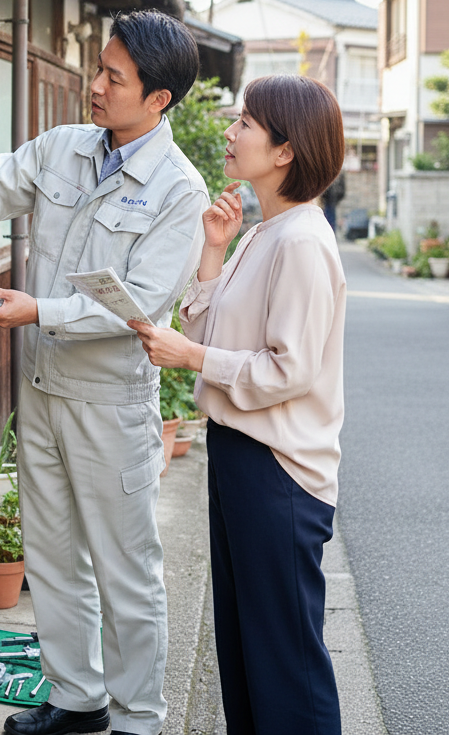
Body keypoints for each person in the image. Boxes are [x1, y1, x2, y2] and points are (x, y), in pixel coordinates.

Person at [0, 10, 209, 735]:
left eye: (114, 77)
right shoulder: (64, 147)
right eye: (99, 68)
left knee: (125, 569)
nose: (96, 86)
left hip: (110, 403)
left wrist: (37, 311)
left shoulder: (181, 192)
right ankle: (77, 701)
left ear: (159, 99)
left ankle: (139, 721)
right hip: (43, 388)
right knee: (53, 559)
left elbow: (142, 306)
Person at [129, 74, 347, 735]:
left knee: (284, 657)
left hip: (277, 468)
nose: (230, 132)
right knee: (247, 646)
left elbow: (289, 370)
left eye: (245, 122)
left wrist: (191, 356)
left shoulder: (302, 241)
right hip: (242, 453)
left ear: (285, 150)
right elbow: (211, 330)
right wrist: (215, 250)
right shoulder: (264, 233)